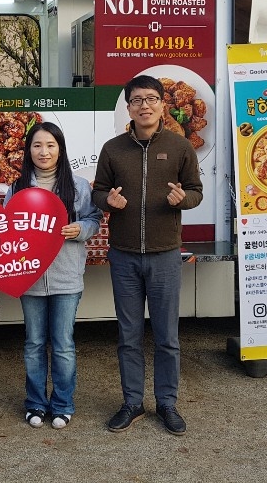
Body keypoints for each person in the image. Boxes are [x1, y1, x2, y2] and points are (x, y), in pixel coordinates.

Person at [91, 74, 203, 436]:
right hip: (123, 256)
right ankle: (132, 402)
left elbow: (195, 191)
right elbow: (99, 192)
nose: (145, 105)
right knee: (128, 334)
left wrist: (182, 199)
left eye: (151, 98)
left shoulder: (181, 146)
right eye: (137, 100)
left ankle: (167, 404)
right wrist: (106, 201)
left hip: (165, 255)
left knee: (167, 335)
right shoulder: (113, 149)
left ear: (162, 104)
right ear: (129, 106)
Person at [6, 122, 102, 430]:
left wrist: (81, 230)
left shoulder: (77, 186)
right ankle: (35, 403)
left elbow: (94, 219)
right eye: (37, 145)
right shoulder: (18, 188)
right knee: (34, 343)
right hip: (30, 278)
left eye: (50, 145)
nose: (43, 151)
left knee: (62, 344)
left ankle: (63, 404)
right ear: (28, 150)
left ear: (60, 148)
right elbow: (7, 231)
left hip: (66, 276)